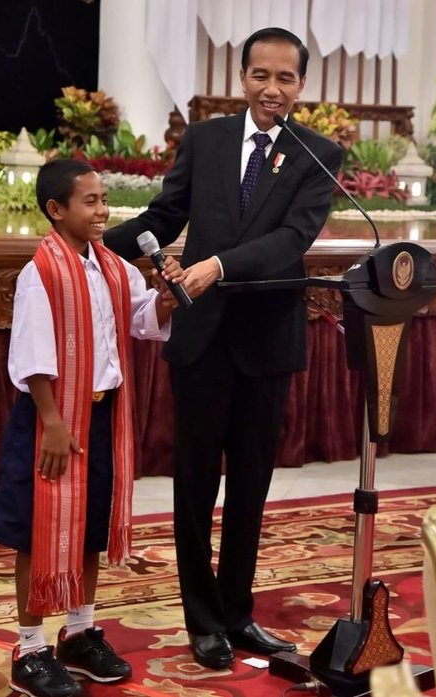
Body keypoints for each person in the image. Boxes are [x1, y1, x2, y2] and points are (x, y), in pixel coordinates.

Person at [103, 27, 343, 670]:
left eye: (286, 78)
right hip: (202, 340)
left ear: (300, 85)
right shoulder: (204, 140)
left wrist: (215, 266)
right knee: (194, 487)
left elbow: (291, 239)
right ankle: (202, 619)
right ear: (243, 78)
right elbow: (164, 215)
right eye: (261, 75)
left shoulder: (318, 155)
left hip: (267, 344)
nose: (272, 89)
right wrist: (93, 247)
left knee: (251, 490)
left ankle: (238, 614)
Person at [0, 158, 185, 697]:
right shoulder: (42, 272)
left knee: (91, 524)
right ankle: (30, 647)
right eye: (91, 202)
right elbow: (30, 354)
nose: (104, 212)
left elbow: (141, 320)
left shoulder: (111, 266)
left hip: (102, 414)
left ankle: (79, 632)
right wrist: (50, 421)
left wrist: (165, 301)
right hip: (51, 419)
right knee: (38, 527)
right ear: (57, 210)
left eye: (104, 200)